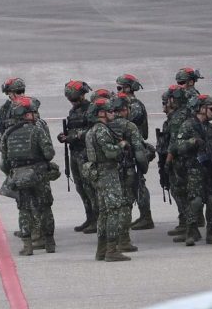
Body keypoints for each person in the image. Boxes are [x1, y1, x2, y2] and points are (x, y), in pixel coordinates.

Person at [0, 96, 57, 255]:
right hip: (39, 175)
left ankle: (27, 246)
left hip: (19, 176)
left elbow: (5, 160)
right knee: (45, 207)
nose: (35, 115)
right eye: (32, 113)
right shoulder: (37, 130)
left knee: (24, 210)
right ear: (25, 114)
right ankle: (49, 242)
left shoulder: (8, 134)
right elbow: (49, 153)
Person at [86, 98, 130, 261]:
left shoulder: (92, 131)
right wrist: (121, 146)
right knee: (113, 211)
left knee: (103, 213)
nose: (113, 113)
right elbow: (109, 152)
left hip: (99, 175)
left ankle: (102, 249)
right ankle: (111, 250)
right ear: (101, 113)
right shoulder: (102, 131)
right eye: (110, 111)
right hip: (108, 174)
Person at [176, 95, 212, 245]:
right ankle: (190, 232)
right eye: (211, 109)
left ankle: (211, 232)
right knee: (195, 201)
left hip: (209, 169)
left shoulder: (211, 129)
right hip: (194, 170)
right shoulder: (188, 126)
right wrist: (193, 141)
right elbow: (179, 147)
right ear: (201, 109)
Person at [57, 80, 99, 233]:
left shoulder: (91, 110)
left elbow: (92, 131)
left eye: (74, 99)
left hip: (86, 153)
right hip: (75, 153)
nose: (72, 102)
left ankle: (97, 218)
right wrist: (65, 136)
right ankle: (90, 217)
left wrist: (72, 136)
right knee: (81, 187)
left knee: (90, 187)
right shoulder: (73, 112)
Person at [109, 93, 148, 252]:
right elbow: (139, 152)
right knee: (126, 204)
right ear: (125, 110)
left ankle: (111, 239)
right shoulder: (129, 126)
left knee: (112, 206)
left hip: (109, 172)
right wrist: (143, 168)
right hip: (127, 170)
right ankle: (123, 240)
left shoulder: (104, 126)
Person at [157, 85, 190, 236]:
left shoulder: (177, 118)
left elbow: (174, 143)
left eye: (166, 102)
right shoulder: (183, 113)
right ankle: (187, 221)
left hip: (179, 160)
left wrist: (167, 161)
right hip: (185, 158)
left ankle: (186, 223)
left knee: (179, 191)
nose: (165, 105)